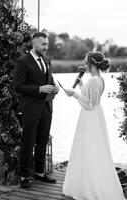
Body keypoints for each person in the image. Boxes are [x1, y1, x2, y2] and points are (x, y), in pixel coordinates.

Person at [62, 51, 126, 200]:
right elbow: (89, 95)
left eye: (86, 62)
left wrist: (74, 94)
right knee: (87, 148)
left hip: (91, 117)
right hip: (92, 116)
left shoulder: (96, 81)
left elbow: (91, 104)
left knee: (91, 149)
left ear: (92, 64)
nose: (85, 65)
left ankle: (92, 186)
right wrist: (80, 84)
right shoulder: (97, 79)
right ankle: (84, 182)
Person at [14, 32, 59, 189]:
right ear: (34, 44)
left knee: (42, 140)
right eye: (43, 44)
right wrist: (39, 89)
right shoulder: (23, 61)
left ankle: (39, 172)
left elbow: (49, 79)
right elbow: (18, 86)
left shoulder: (47, 60)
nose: (46, 47)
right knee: (28, 142)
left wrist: (55, 87)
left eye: (47, 44)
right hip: (31, 108)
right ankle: (25, 175)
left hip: (47, 107)